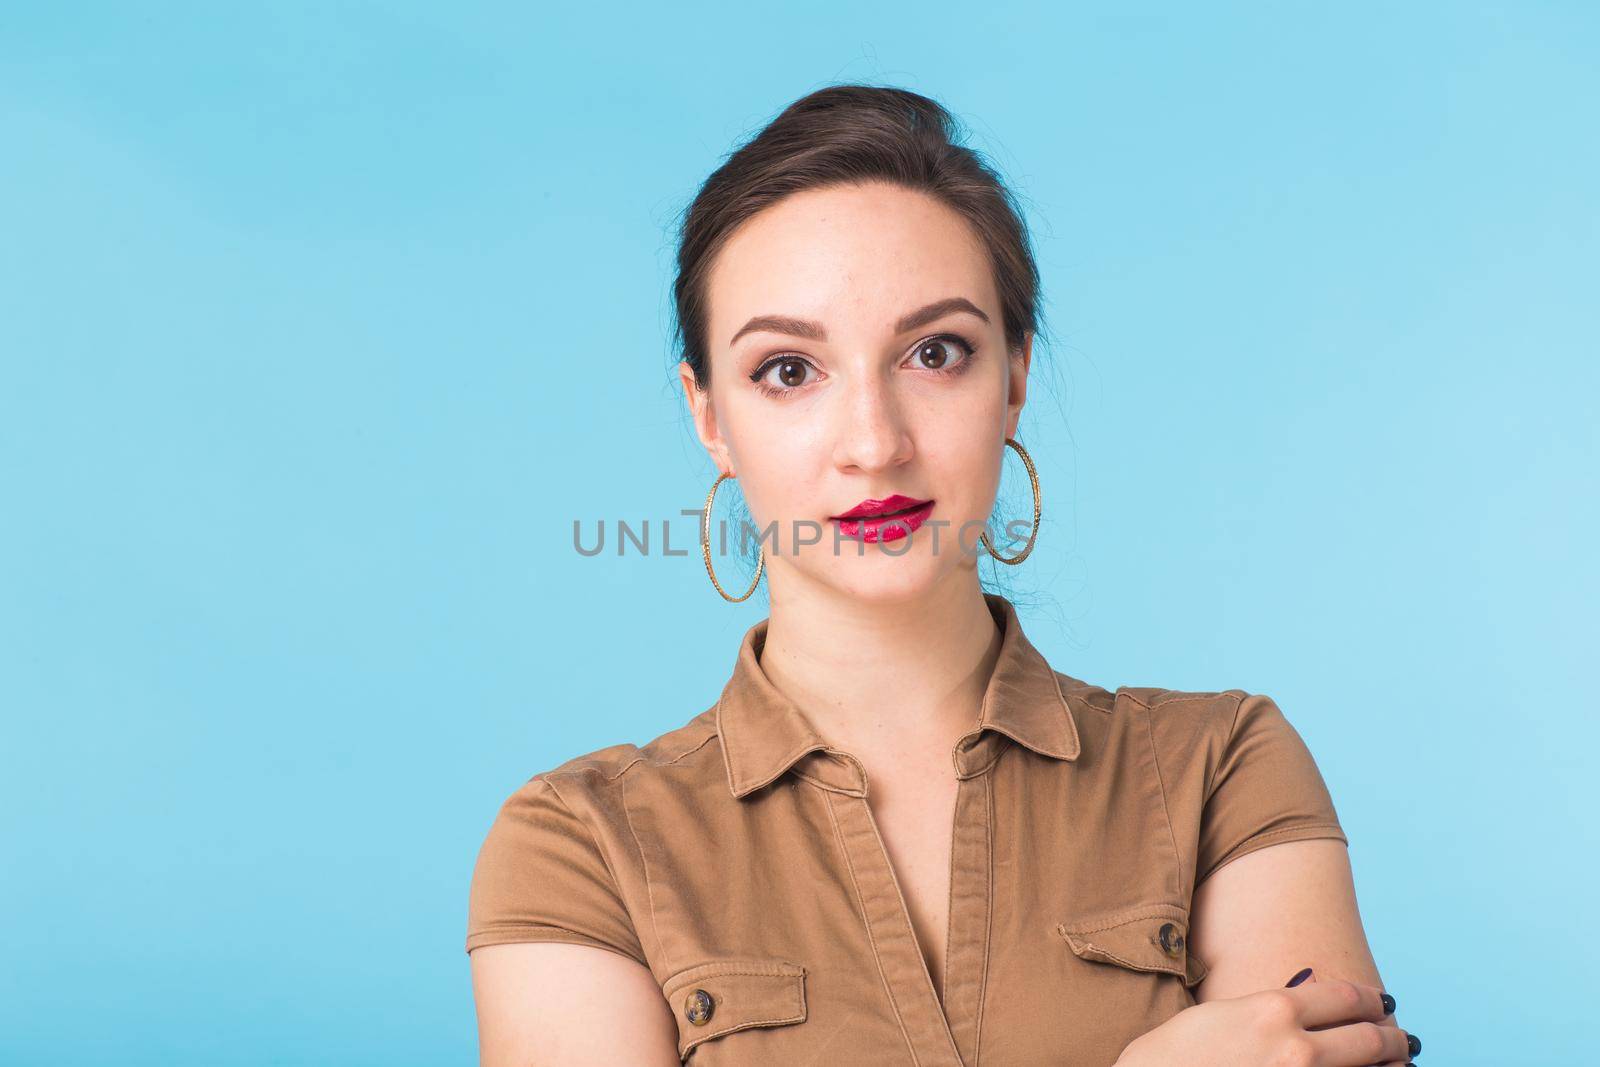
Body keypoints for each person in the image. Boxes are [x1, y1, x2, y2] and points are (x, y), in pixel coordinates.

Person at [465, 85, 1420, 1066]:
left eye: (934, 353)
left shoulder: (1224, 769)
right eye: (788, 369)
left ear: (1013, 374)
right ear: (708, 415)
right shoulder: (580, 847)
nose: (874, 443)